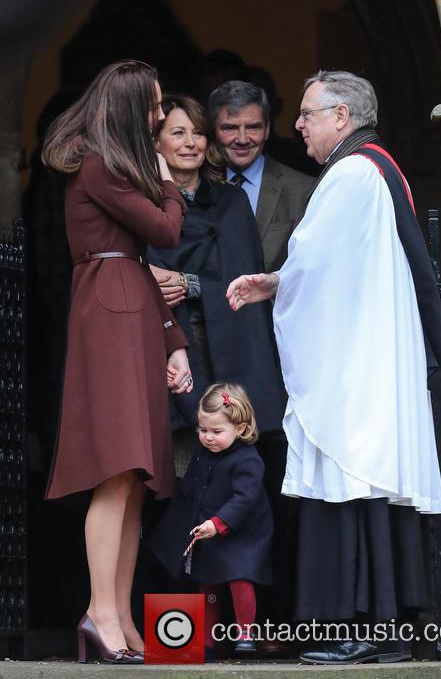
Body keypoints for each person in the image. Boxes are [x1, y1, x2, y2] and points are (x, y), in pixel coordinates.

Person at [227, 70, 441, 664]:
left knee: (352, 479)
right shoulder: (377, 168)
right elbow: (327, 265)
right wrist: (281, 281)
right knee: (368, 485)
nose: (296, 125)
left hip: (356, 370)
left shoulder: (351, 173)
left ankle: (363, 627)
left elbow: (314, 265)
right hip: (371, 361)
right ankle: (391, 631)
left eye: (307, 113)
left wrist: (276, 283)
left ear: (342, 118)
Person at [42, 60, 193, 664]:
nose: (160, 117)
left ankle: (119, 615)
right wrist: (168, 182)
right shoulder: (101, 164)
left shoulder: (109, 166)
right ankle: (99, 612)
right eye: (155, 107)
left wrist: (173, 337)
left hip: (125, 307)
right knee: (116, 469)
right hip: (110, 315)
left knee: (133, 477)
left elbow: (142, 267)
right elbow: (165, 232)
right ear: (132, 109)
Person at [146, 95, 293, 656]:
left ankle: (244, 634)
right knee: (174, 494)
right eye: (176, 133)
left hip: (221, 360)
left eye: (196, 134)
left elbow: (243, 282)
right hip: (164, 359)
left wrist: (190, 284)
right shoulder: (142, 202)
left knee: (236, 497)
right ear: (157, 142)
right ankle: (178, 635)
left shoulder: (230, 203)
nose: (189, 143)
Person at [149, 382, 273, 659]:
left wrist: (219, 523)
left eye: (217, 432)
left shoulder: (248, 459)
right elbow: (193, 410)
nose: (207, 437)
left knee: (240, 579)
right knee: (208, 584)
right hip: (207, 529)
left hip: (241, 533)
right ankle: (205, 640)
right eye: (202, 430)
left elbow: (245, 498)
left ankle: (245, 635)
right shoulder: (207, 446)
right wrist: (178, 388)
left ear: (239, 428)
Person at [207, 80, 315, 272]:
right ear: (213, 130)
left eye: (253, 127)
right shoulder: (197, 184)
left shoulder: (304, 191)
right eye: (230, 128)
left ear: (267, 130)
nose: (242, 139)